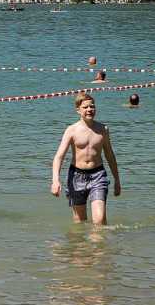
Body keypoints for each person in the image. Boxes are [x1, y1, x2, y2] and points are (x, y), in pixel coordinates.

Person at [50, 92, 122, 225]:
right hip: (76, 176)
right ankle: (81, 246)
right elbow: (59, 157)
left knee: (99, 220)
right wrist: (55, 180)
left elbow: (110, 155)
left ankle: (98, 245)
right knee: (79, 222)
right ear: (78, 110)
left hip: (98, 175)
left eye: (92, 106)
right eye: (85, 107)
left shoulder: (103, 129)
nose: (89, 110)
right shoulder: (71, 130)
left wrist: (117, 180)